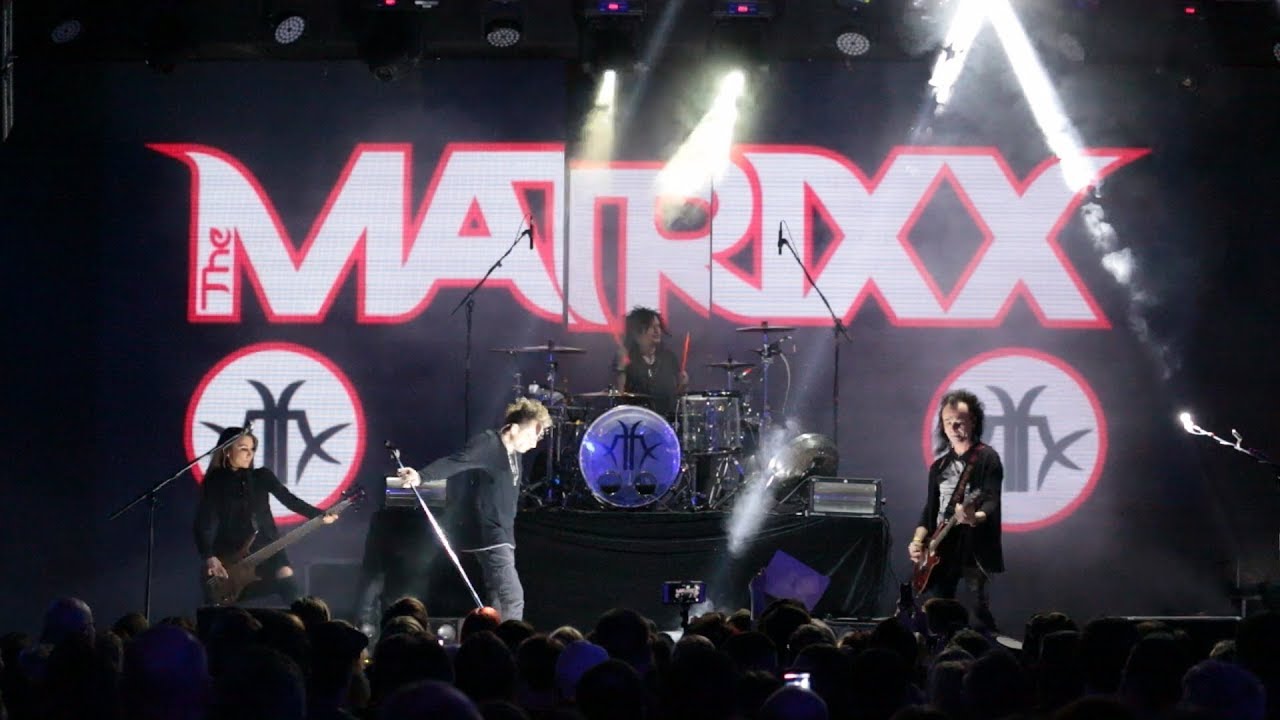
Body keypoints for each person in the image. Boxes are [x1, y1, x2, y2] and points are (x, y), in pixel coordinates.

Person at [396, 398, 552, 621]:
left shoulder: (514, 452)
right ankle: (512, 638)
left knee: (498, 596)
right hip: (489, 533)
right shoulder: (488, 444)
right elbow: (455, 461)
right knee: (512, 596)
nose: (534, 444)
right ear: (514, 429)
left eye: (537, 438)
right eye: (531, 436)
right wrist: (421, 476)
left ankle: (496, 635)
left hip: (503, 533)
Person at [194, 426, 338, 604]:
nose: (250, 454)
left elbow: (289, 500)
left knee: (285, 575)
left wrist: (319, 515)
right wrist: (209, 556)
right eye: (243, 448)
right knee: (226, 596)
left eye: (252, 449)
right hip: (232, 552)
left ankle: (304, 617)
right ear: (227, 451)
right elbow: (203, 522)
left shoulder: (261, 476)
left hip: (268, 544)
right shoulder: (215, 482)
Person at [907, 389, 1004, 632]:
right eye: (947, 421)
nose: (953, 426)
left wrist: (975, 517)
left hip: (973, 547)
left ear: (973, 421)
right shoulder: (939, 466)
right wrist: (917, 541)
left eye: (959, 420)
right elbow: (930, 509)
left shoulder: (987, 458)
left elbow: (991, 499)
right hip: (939, 548)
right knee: (938, 613)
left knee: (977, 612)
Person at [614, 306, 688, 418]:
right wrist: (621, 369)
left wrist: (683, 386)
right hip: (636, 419)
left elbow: (676, 398)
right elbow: (619, 397)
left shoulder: (668, 357)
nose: (657, 331)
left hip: (665, 420)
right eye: (651, 327)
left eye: (658, 326)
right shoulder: (627, 358)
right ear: (637, 332)